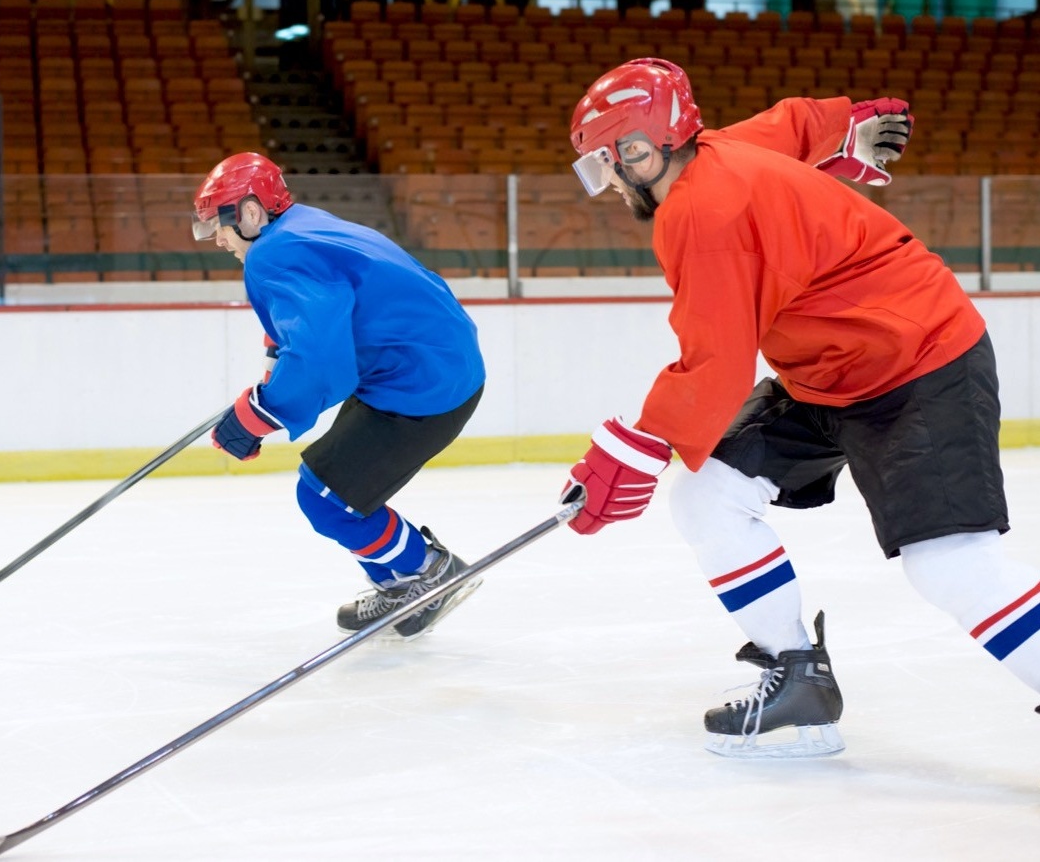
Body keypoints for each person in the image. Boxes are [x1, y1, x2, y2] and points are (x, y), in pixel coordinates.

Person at [560, 58, 1039, 758]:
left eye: (607, 164)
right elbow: (795, 123)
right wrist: (848, 121)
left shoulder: (699, 214)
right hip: (826, 372)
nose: (606, 184)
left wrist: (634, 445)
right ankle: (800, 682)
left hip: (917, 359)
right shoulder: (722, 145)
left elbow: (715, 365)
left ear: (641, 150)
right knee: (708, 497)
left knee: (951, 565)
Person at [192, 152, 486, 639]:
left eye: (219, 224)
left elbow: (321, 361)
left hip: (420, 383)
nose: (218, 238)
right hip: (433, 365)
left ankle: (431, 571)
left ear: (249, 212)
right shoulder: (301, 225)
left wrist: (256, 416)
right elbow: (310, 318)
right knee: (333, 488)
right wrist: (271, 380)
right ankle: (404, 585)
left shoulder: (270, 254)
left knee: (326, 499)